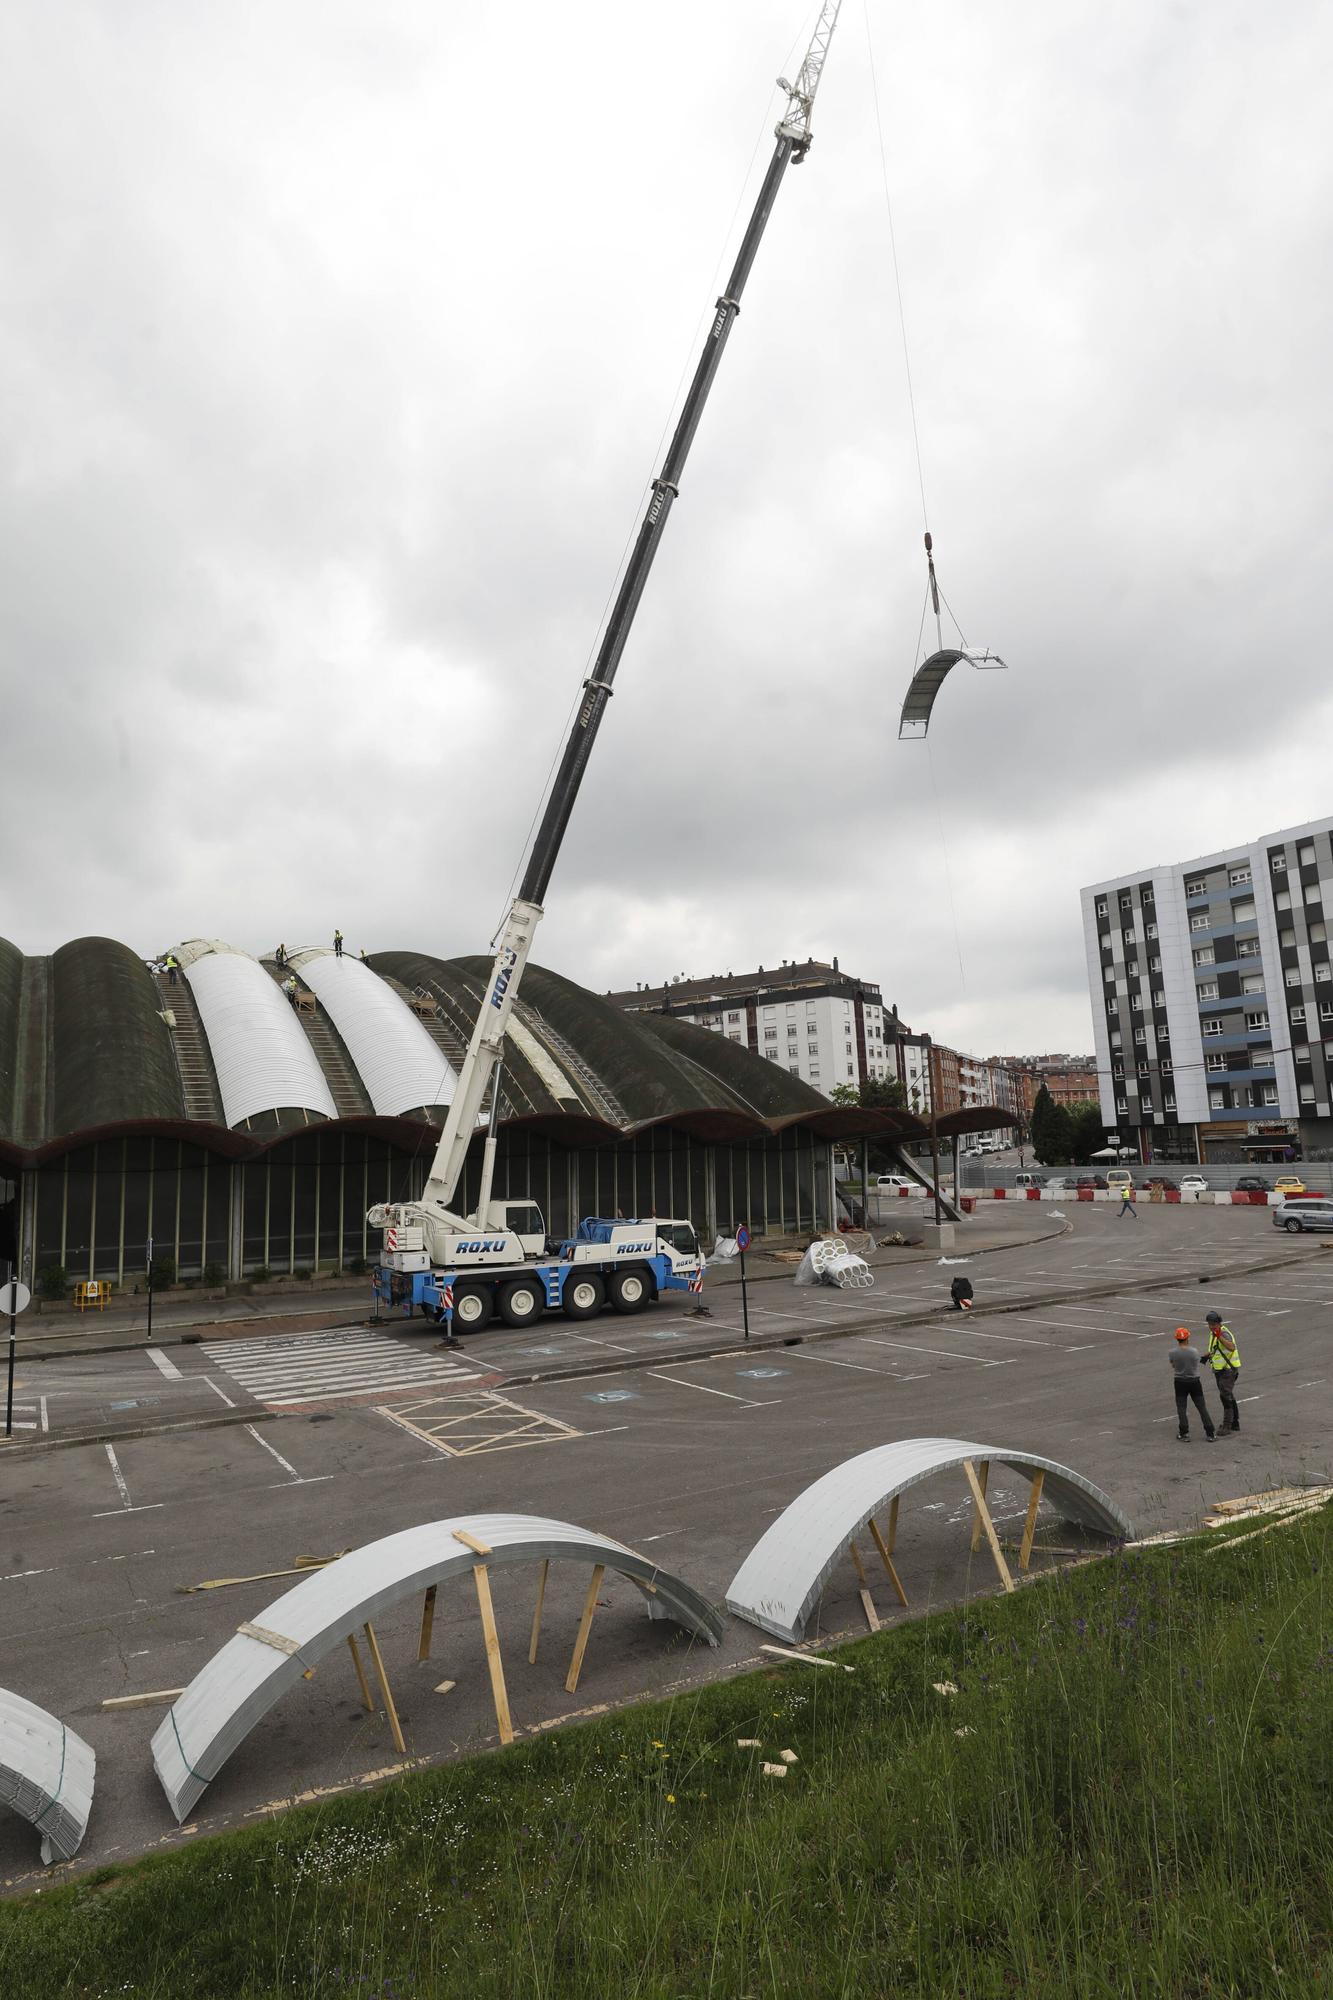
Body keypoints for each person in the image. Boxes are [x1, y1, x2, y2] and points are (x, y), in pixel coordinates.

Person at [1169, 1327, 1216, 1442]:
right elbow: (1196, 1362)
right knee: (1201, 1407)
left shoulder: (1172, 1352)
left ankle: (1184, 1433)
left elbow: (1173, 1365)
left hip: (1180, 1382)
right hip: (1194, 1382)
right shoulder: (1194, 1351)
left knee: (1181, 1408)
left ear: (1177, 1339)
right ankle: (1210, 1433)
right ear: (1187, 1338)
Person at [1204, 1311, 1243, 1434]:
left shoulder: (1223, 1333)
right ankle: (1235, 1422)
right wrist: (1208, 1355)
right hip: (1220, 1370)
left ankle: (1227, 1426)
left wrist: (1219, 1336)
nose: (1211, 1326)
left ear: (1219, 1323)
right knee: (1228, 1395)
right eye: (1209, 1324)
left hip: (1228, 1370)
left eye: (1213, 1324)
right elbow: (1216, 1348)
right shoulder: (1213, 1333)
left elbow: (1231, 1347)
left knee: (1225, 1396)